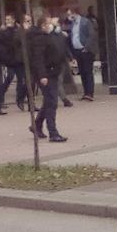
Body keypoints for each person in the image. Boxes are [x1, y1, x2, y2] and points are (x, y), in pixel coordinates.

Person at [28, 15, 69, 143]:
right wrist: (42, 75)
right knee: (52, 102)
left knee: (49, 101)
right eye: (48, 24)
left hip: (53, 72)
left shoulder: (50, 36)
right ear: (43, 25)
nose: (51, 26)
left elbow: (59, 49)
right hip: (46, 74)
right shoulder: (39, 39)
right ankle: (53, 132)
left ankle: (37, 125)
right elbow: (38, 59)